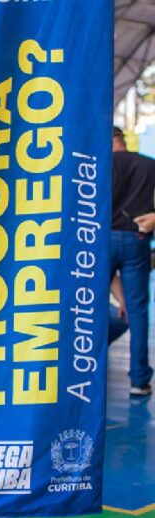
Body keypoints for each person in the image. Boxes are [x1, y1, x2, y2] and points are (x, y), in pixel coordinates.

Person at [108, 126, 155, 396]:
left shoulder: (98, 166)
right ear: (123, 139)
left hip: (101, 242)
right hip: (137, 239)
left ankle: (82, 371)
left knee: (85, 305)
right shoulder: (149, 165)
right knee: (138, 312)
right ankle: (140, 381)